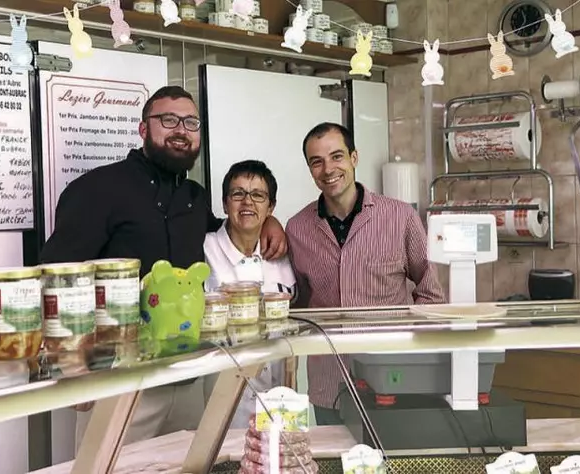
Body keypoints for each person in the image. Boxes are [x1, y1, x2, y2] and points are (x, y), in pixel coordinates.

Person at [40, 86, 288, 445]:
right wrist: (69, 361)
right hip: (123, 378)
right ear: (144, 130)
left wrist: (268, 221)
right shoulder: (97, 189)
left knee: (188, 466)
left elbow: (229, 230)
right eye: (168, 120)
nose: (181, 130)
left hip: (188, 377)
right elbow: (56, 273)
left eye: (190, 122)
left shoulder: (194, 197)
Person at [285, 122, 445, 426]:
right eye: (316, 161)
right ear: (309, 169)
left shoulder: (400, 217)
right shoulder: (297, 228)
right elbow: (300, 305)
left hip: (393, 378)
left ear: (354, 158)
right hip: (329, 381)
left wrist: (412, 355)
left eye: (337, 156)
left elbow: (431, 293)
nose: (328, 168)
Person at [203, 160, 296, 428]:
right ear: (224, 204)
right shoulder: (204, 249)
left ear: (271, 207)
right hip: (224, 402)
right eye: (238, 194)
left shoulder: (284, 255)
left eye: (258, 195)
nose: (247, 202)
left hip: (282, 398)